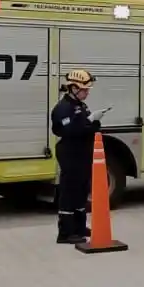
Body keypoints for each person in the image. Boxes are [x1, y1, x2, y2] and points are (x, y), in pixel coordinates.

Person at [50, 68, 103, 245]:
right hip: (70, 153)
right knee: (70, 192)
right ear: (73, 88)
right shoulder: (63, 108)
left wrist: (92, 123)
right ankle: (65, 233)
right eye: (84, 89)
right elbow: (66, 130)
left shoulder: (80, 105)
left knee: (81, 190)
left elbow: (83, 124)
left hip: (81, 153)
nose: (87, 93)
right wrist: (90, 126)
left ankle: (79, 227)